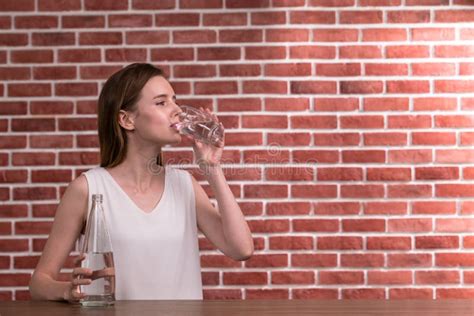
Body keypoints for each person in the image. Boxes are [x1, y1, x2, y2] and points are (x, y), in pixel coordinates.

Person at [28, 63, 254, 301]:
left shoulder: (184, 185)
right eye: (161, 102)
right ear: (126, 120)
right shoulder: (87, 188)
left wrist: (212, 168)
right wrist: (68, 290)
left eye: (174, 100)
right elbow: (39, 283)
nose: (177, 110)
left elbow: (241, 249)